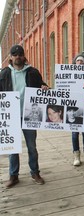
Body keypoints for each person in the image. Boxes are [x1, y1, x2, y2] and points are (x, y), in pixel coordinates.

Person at [0, 44, 48, 188]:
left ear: (23, 56)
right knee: (12, 148)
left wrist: (44, 87)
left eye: (20, 54)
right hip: (11, 116)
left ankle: (35, 172)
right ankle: (13, 175)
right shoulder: (4, 74)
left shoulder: (33, 72)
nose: (18, 57)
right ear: (11, 57)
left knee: (32, 146)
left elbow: (42, 85)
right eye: (15, 55)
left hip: (30, 115)